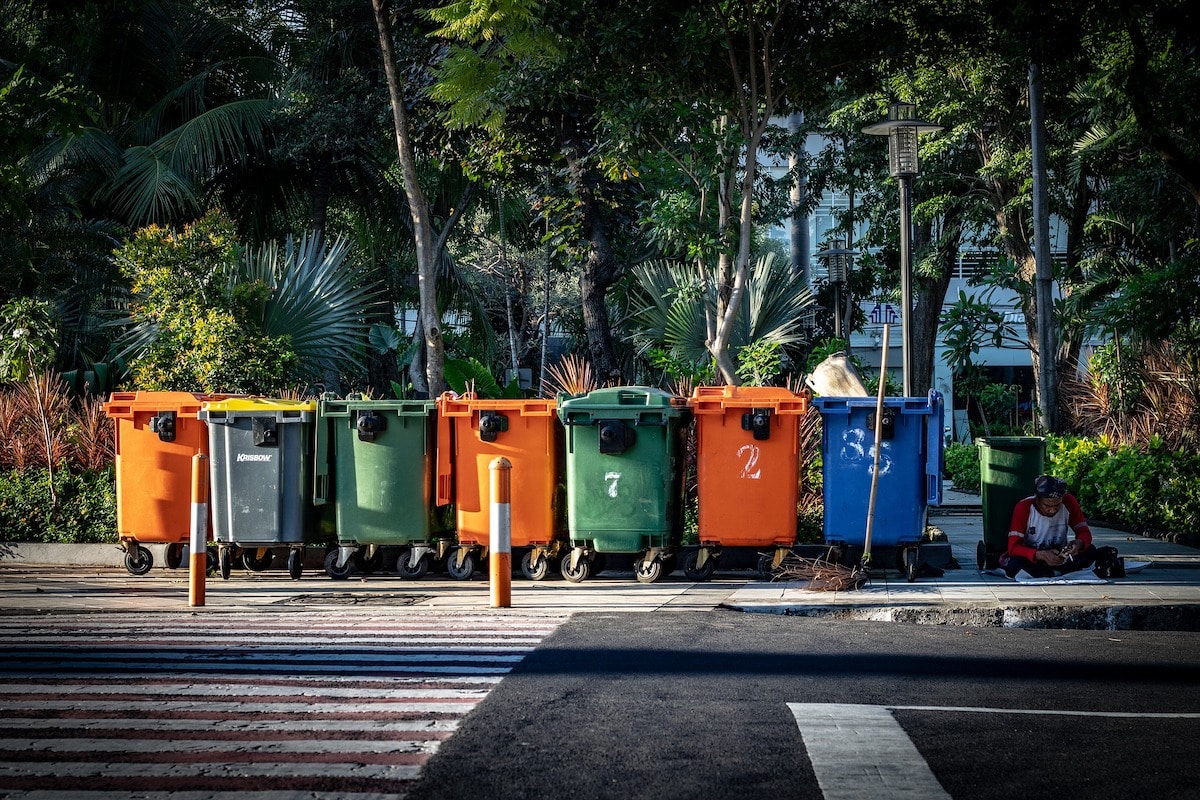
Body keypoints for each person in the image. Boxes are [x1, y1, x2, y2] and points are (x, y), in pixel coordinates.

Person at [1001, 474, 1098, 578]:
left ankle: (1053, 571)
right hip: (1034, 557)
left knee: (1091, 551)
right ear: (1037, 499)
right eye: (1047, 506)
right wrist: (1040, 555)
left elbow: (1084, 532)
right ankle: (1058, 571)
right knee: (1015, 564)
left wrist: (1078, 543)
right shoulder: (1024, 507)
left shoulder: (1069, 501)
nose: (1052, 510)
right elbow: (1013, 547)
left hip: (1060, 554)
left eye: (1057, 505)